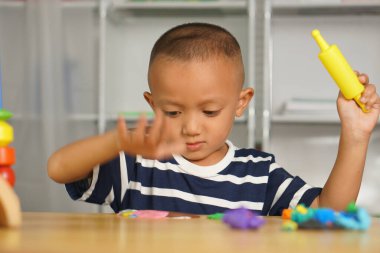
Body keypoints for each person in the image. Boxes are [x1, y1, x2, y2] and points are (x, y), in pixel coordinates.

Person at [47, 23, 380, 215]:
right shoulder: (137, 165)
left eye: (209, 112)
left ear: (241, 103)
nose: (191, 127)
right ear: (152, 104)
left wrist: (355, 134)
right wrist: (116, 142)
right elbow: (59, 169)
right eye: (172, 112)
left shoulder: (258, 174)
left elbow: (329, 211)